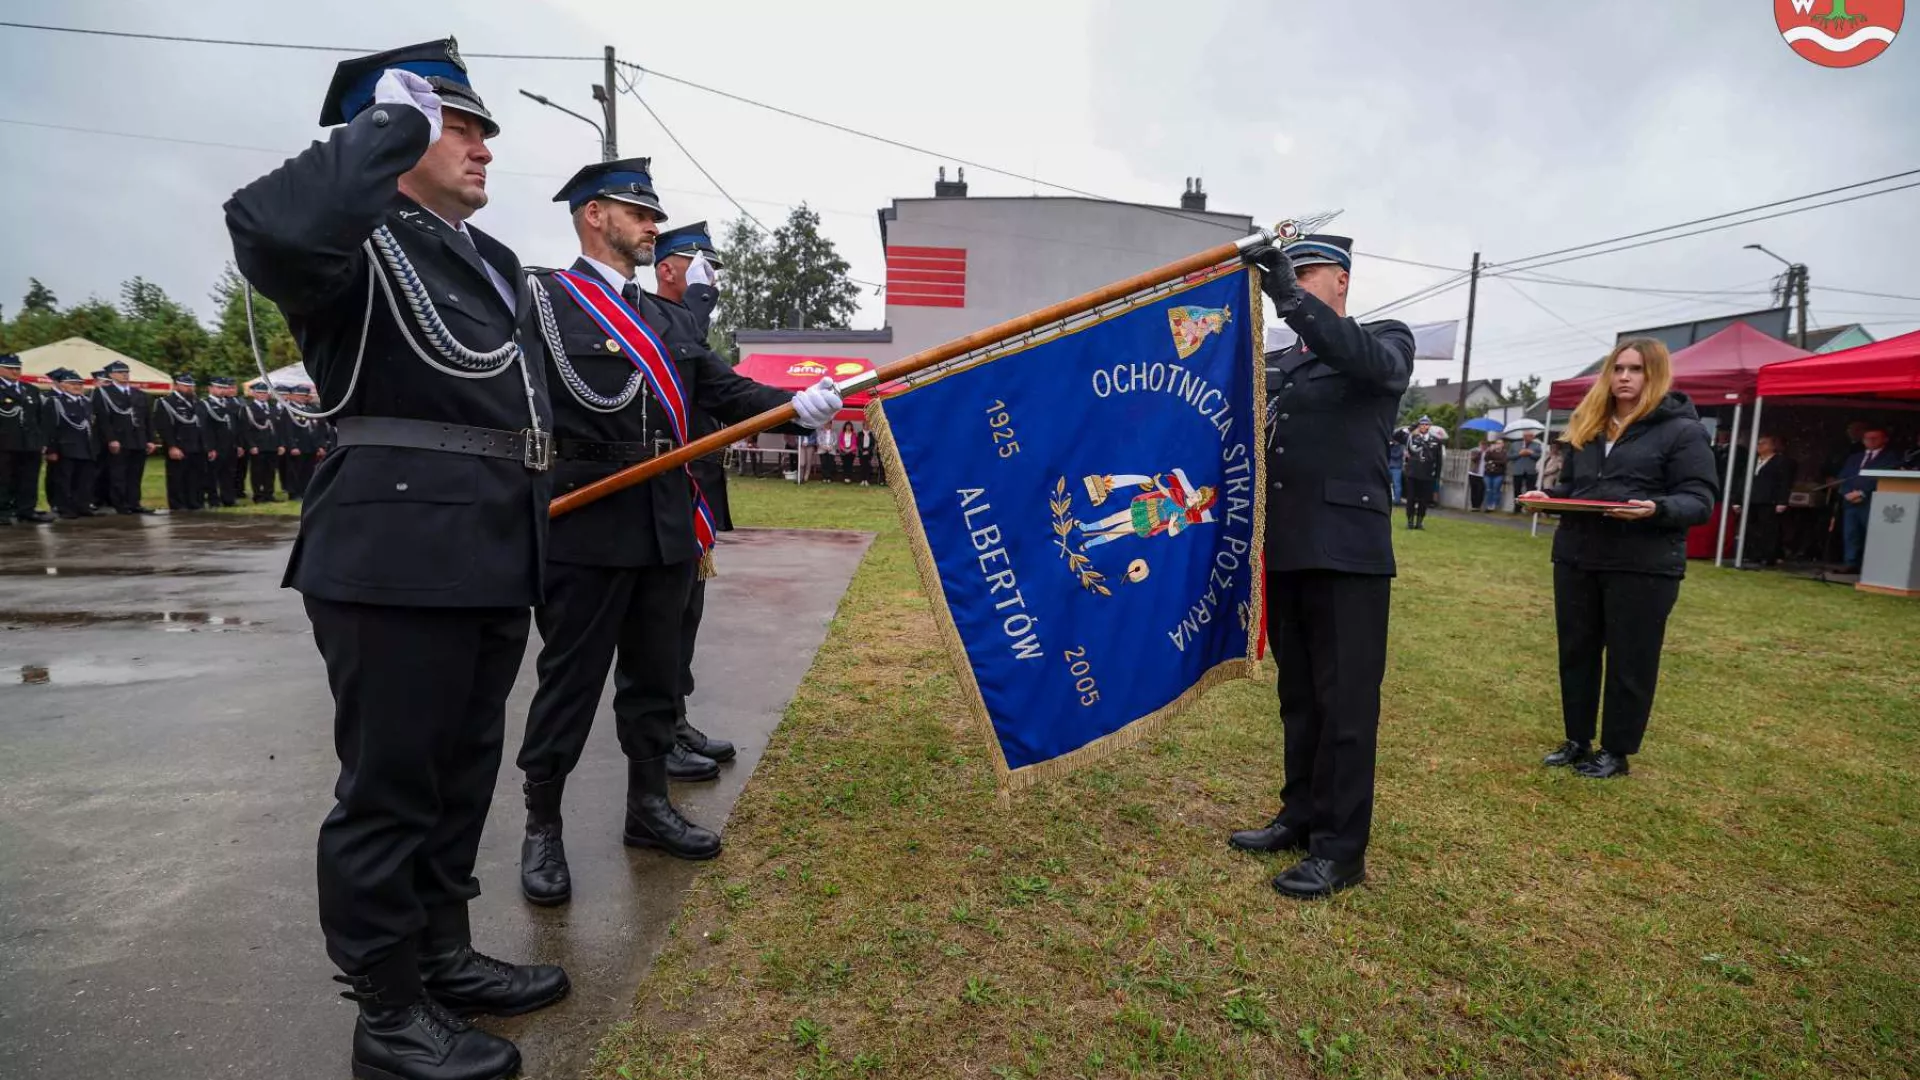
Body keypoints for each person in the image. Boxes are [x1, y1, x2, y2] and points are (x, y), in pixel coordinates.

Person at [225, 39, 568, 1080]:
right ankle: (386, 1010)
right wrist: (384, 125)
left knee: (459, 776)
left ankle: (441, 956)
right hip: (396, 547)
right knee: (390, 787)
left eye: (479, 129)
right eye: (456, 126)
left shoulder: (489, 259)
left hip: (492, 542)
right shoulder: (352, 237)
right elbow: (267, 225)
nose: (482, 147)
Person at [513, 159, 840, 908]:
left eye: (654, 215)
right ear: (594, 215)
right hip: (586, 518)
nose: (652, 227)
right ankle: (542, 826)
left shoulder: (667, 320)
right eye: (638, 213)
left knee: (656, 677)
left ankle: (648, 807)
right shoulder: (545, 299)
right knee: (569, 682)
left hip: (663, 521)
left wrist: (799, 407)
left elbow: (725, 391)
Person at [1227, 233, 1414, 899]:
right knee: (1301, 698)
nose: (1298, 281)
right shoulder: (1283, 361)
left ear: (1342, 280)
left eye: (1309, 271)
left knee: (1346, 707)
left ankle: (1340, 851)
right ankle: (1300, 816)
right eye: (1291, 272)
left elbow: (1356, 355)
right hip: (1288, 546)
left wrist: (1287, 296)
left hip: (1347, 553)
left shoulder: (1384, 340)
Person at [1519, 339, 1716, 779]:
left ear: (1656, 374)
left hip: (1642, 562)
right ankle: (1577, 740)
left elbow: (1699, 499)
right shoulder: (1589, 425)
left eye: (1636, 369)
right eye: (1618, 368)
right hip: (1578, 556)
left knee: (1631, 659)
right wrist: (1547, 498)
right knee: (1577, 652)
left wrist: (1655, 509)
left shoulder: (1682, 431)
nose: (1624, 377)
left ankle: (1616, 751)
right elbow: (1578, 491)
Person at [651, 218, 741, 770]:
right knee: (662, 621)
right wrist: (700, 302)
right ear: (667, 269)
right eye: (698, 268)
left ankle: (676, 719)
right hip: (665, 494)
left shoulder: (688, 322)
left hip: (695, 492)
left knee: (687, 614)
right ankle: (658, 734)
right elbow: (674, 357)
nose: (711, 280)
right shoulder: (646, 314)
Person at [93, 360, 156, 514]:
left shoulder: (138, 394)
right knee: (118, 474)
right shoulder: (103, 393)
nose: (124, 375)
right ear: (111, 375)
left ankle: (134, 502)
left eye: (126, 372)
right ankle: (120, 504)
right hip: (120, 439)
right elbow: (103, 419)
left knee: (135, 474)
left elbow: (147, 418)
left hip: (138, 439)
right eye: (120, 372)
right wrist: (111, 439)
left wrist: (150, 439)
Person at [0, 354, 55, 524]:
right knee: (4, 478)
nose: (15, 372)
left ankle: (26, 510)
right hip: (5, 442)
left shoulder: (30, 389)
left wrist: (42, 441)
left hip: (30, 442)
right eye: (10, 368)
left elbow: (41, 418)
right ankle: (3, 511)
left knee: (29, 478)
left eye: (18, 368)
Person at [42, 368, 100, 519]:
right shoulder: (55, 402)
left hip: (86, 446)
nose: (77, 386)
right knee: (64, 480)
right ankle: (65, 508)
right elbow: (50, 427)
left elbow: (91, 424)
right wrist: (51, 449)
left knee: (84, 479)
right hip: (65, 447)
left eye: (79, 384)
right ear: (62, 385)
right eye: (72, 383)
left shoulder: (86, 402)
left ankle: (82, 505)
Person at [1836, 428, 1893, 574]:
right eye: (1867, 438)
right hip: (1850, 502)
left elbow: (1885, 478)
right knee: (1851, 533)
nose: (1871, 441)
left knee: (1873, 534)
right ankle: (1851, 563)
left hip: (1872, 501)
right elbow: (1844, 477)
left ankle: (1872, 565)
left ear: (1885, 439)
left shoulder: (1891, 457)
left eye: (1875, 438)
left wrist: (1863, 492)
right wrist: (1846, 493)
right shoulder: (1855, 457)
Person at [150, 373, 209, 512]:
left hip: (196, 446)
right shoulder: (166, 402)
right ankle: (178, 505)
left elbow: (202, 426)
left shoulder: (197, 402)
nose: (190, 388)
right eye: (186, 385)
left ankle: (194, 502)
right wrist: (172, 446)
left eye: (191, 385)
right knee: (177, 477)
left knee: (195, 477)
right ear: (176, 386)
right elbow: (164, 426)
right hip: (179, 444)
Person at [1742, 435, 1795, 568]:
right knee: (1752, 528)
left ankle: (1768, 556)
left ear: (1772, 446)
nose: (1759, 446)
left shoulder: (1780, 462)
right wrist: (1739, 499)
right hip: (1752, 499)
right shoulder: (1753, 460)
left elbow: (1785, 482)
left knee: (1769, 530)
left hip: (1770, 500)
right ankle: (1753, 555)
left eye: (1764, 443)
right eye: (1758, 443)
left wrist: (1782, 501)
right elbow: (1743, 480)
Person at [238, 381, 284, 502]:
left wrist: (280, 444)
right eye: (259, 392)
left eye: (265, 393)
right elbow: (245, 430)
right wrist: (251, 445)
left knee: (270, 471)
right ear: (254, 393)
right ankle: (258, 495)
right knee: (257, 471)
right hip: (258, 445)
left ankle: (269, 493)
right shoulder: (248, 408)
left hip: (272, 444)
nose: (263, 395)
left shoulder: (273, 408)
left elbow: (279, 428)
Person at [200, 376, 241, 508]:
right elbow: (204, 427)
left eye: (224, 388)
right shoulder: (204, 404)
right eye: (219, 387)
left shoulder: (229, 404)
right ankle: (213, 499)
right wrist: (209, 447)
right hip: (215, 445)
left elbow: (235, 425)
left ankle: (228, 498)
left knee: (228, 473)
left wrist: (238, 444)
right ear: (210, 388)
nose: (222, 390)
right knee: (212, 474)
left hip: (229, 444)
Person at [1402, 416, 1441, 529]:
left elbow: (1439, 460)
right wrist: (1411, 427)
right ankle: (1410, 521)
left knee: (1424, 500)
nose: (1424, 426)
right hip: (1413, 473)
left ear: (1429, 426)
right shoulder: (1412, 438)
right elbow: (1398, 436)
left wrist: (1437, 475)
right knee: (1411, 498)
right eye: (1422, 424)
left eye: (1426, 424)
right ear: (1419, 426)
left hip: (1427, 474)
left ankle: (1419, 521)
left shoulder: (1436, 440)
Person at [1507, 430, 1541, 514]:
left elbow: (1538, 456)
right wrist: (1520, 454)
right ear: (1523, 436)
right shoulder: (1515, 444)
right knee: (1517, 490)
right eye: (1527, 436)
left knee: (1530, 490)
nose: (1529, 437)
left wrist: (1530, 453)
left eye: (1531, 436)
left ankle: (1529, 508)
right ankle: (1517, 508)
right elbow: (1509, 456)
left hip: (1531, 471)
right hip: (1518, 470)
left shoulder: (1537, 445)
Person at [1480, 434, 1508, 511]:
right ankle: (1488, 505)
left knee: (1496, 489)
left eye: (1499, 443)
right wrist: (1489, 451)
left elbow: (1503, 462)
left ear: (1502, 445)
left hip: (1498, 474)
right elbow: (1486, 459)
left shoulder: (1504, 453)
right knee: (1488, 489)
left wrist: (1492, 461)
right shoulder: (1490, 451)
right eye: (1497, 443)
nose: (1498, 445)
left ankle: (1494, 504)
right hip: (1488, 473)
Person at [1466, 435, 1487, 512]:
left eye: (1485, 445)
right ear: (1479, 444)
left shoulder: (1488, 452)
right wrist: (1480, 453)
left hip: (1483, 474)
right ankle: (1474, 506)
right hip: (1473, 473)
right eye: (1482, 445)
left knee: (1481, 490)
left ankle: (1478, 505)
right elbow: (1473, 459)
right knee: (1473, 490)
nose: (1483, 446)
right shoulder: (1475, 451)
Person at [1386, 427, 1406, 505]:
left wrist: (1390, 449)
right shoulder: (1391, 446)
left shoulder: (1401, 446)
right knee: (1387, 483)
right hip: (1388, 466)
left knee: (1396, 484)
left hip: (1396, 468)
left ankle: (1397, 500)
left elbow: (1397, 455)